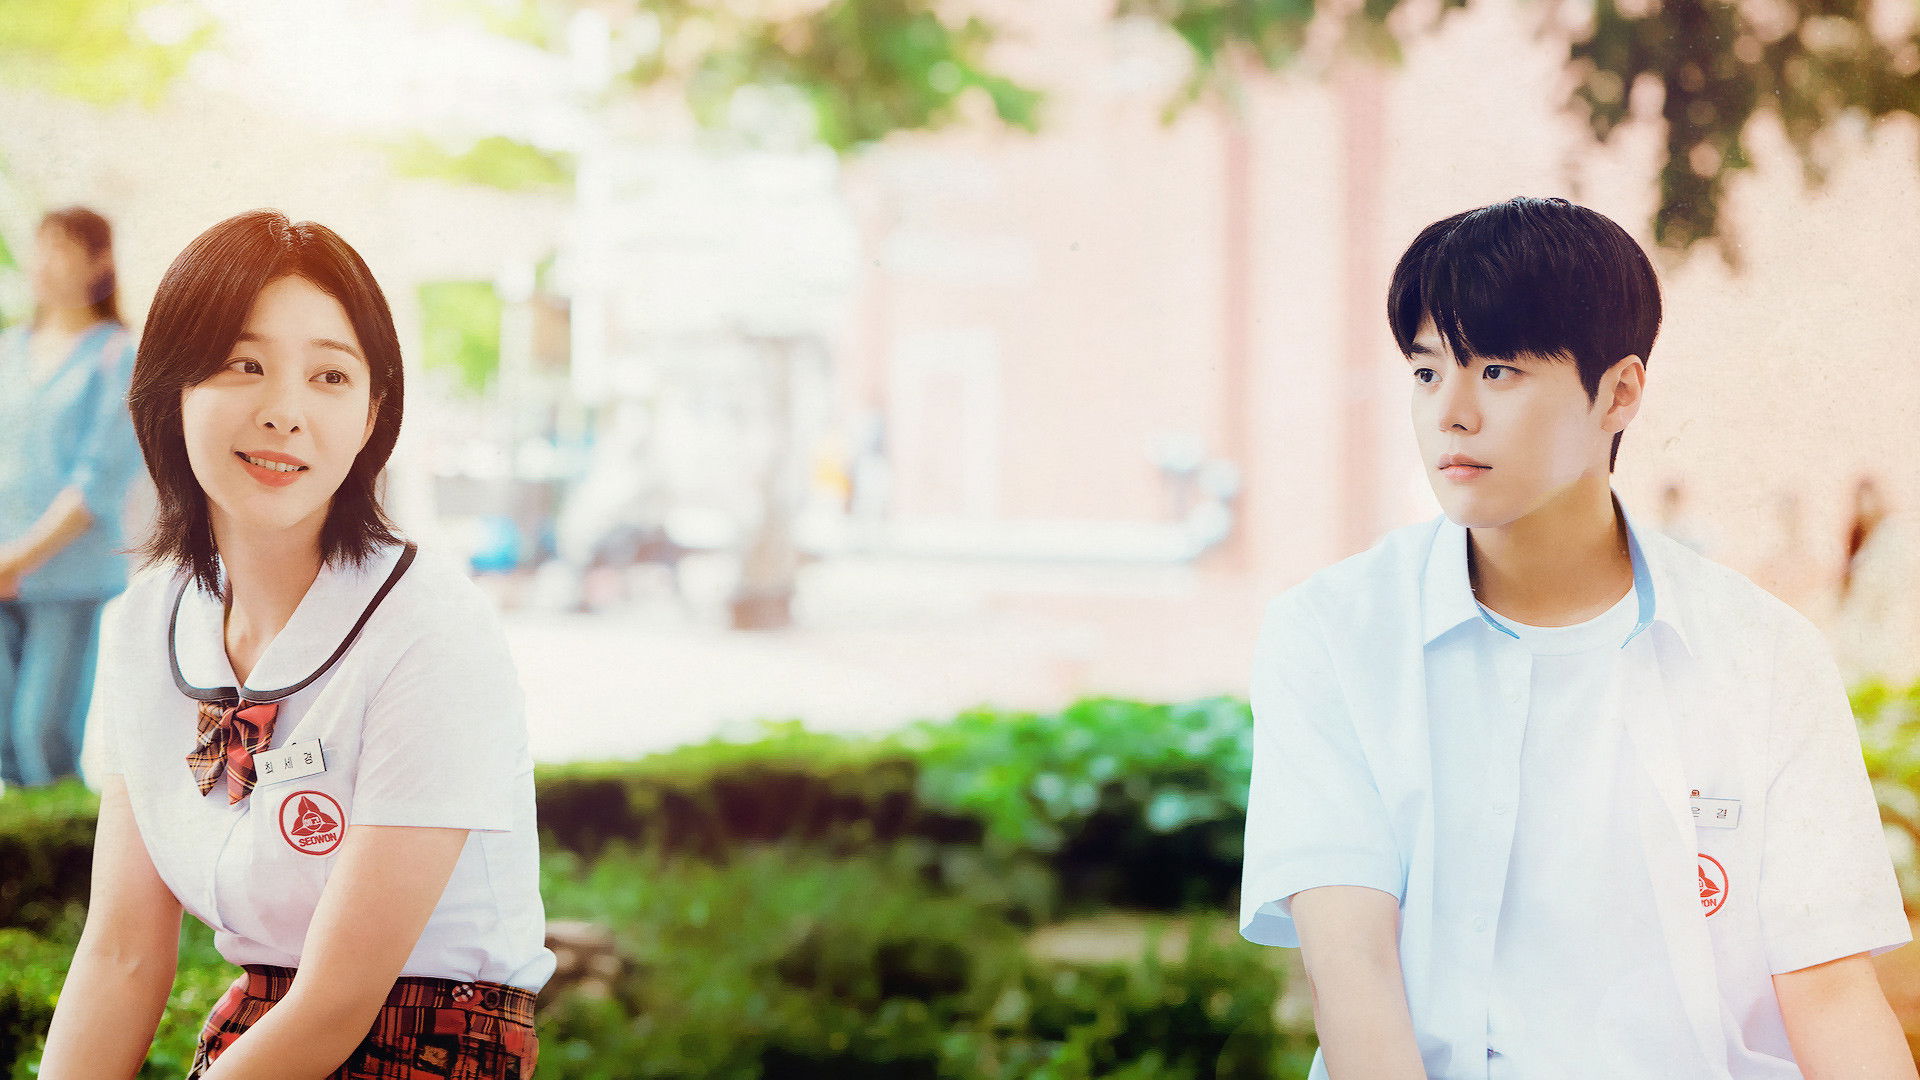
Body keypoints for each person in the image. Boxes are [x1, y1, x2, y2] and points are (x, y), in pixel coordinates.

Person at [1238, 197, 1912, 1079]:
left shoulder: (1765, 653)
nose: (1452, 413)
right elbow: (1352, 973)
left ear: (1620, 393)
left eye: (1499, 370)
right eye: (1427, 371)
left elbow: (1829, 993)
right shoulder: (1332, 634)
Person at [39, 209, 553, 1079]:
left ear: (373, 413)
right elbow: (122, 955)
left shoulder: (430, 626)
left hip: (435, 1041)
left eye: (330, 376)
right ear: (168, 389)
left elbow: (337, 1001)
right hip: (260, 1029)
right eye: (244, 365)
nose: (284, 412)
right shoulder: (143, 625)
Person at [0, 206, 144, 791]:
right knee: (4, 742)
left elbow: (97, 482)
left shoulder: (117, 355)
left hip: (68, 575)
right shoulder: (10, 348)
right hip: (1, 569)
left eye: (61, 249)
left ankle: (67, 847)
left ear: (98, 262)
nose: (45, 264)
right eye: (40, 248)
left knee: (43, 735)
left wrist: (17, 559)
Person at [1827, 474, 1920, 686]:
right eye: (1861, 500)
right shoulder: (1859, 540)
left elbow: (1894, 583)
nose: (1866, 507)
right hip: (1859, 627)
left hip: (1881, 624)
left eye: (1869, 499)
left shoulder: (1891, 535)